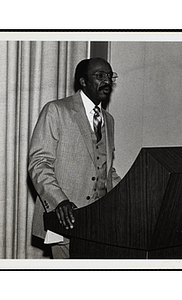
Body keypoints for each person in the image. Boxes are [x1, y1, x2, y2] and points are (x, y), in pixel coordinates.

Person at [28, 57, 121, 259]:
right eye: (99, 76)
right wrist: (60, 202)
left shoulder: (109, 120)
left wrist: (128, 194)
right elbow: (39, 164)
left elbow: (105, 169)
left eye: (109, 76)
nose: (106, 81)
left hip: (101, 225)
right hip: (66, 222)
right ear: (83, 81)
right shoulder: (56, 110)